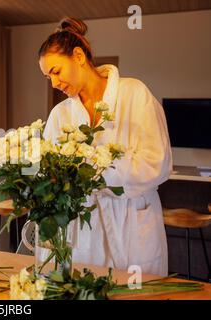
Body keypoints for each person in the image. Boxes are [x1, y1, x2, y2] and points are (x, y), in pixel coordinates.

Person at [39, 17, 173, 276]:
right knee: (87, 287)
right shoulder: (60, 115)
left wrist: (92, 171)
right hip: (84, 230)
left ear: (78, 56)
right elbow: (50, 175)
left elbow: (157, 163)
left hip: (131, 226)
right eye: (47, 77)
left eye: (56, 71)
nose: (54, 83)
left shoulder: (134, 94)